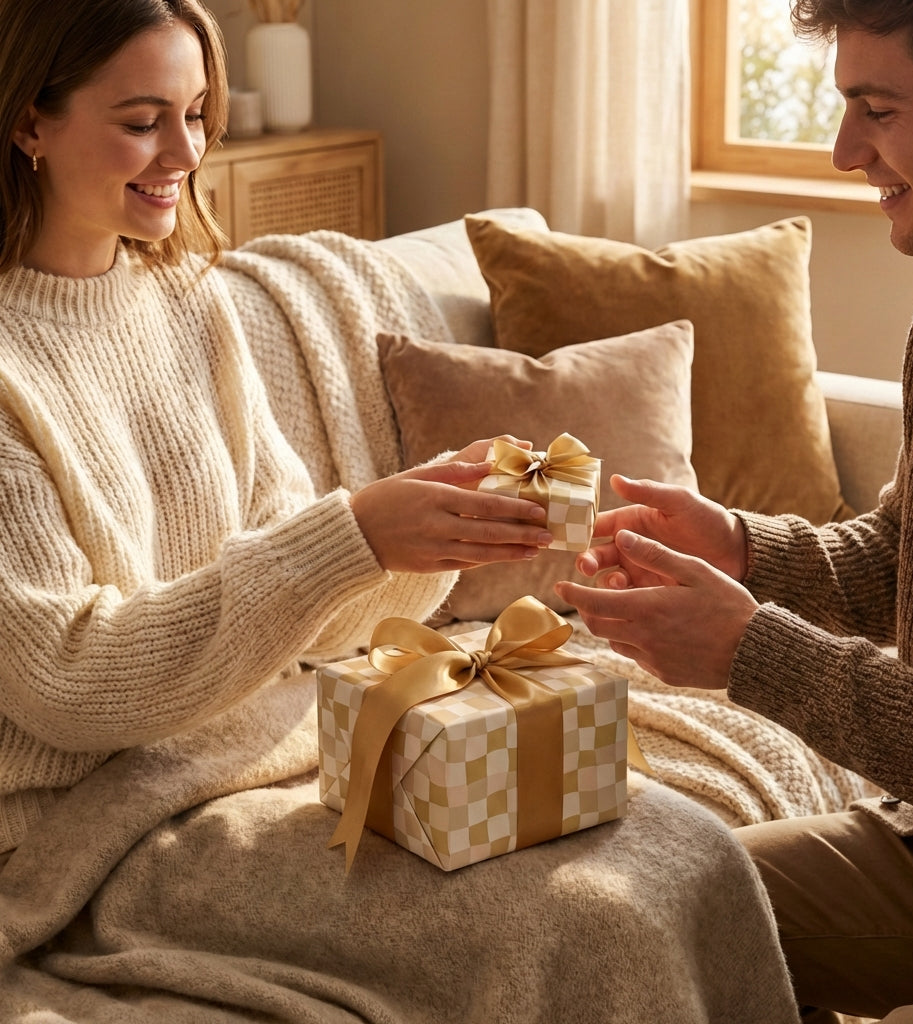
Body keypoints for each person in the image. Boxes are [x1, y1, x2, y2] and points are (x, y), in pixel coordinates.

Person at [0, 2, 806, 1021]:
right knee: (598, 914)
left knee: (679, 848)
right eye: (143, 119)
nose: (185, 152)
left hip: (280, 749)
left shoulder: (193, 307)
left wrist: (423, 528)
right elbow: (66, 682)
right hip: (99, 827)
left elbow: (311, 618)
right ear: (30, 121)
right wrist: (352, 534)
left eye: (199, 113)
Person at [557, 1, 913, 1021]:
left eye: (878, 109)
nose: (844, 150)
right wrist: (737, 545)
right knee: (620, 917)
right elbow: (909, 554)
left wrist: (750, 651)